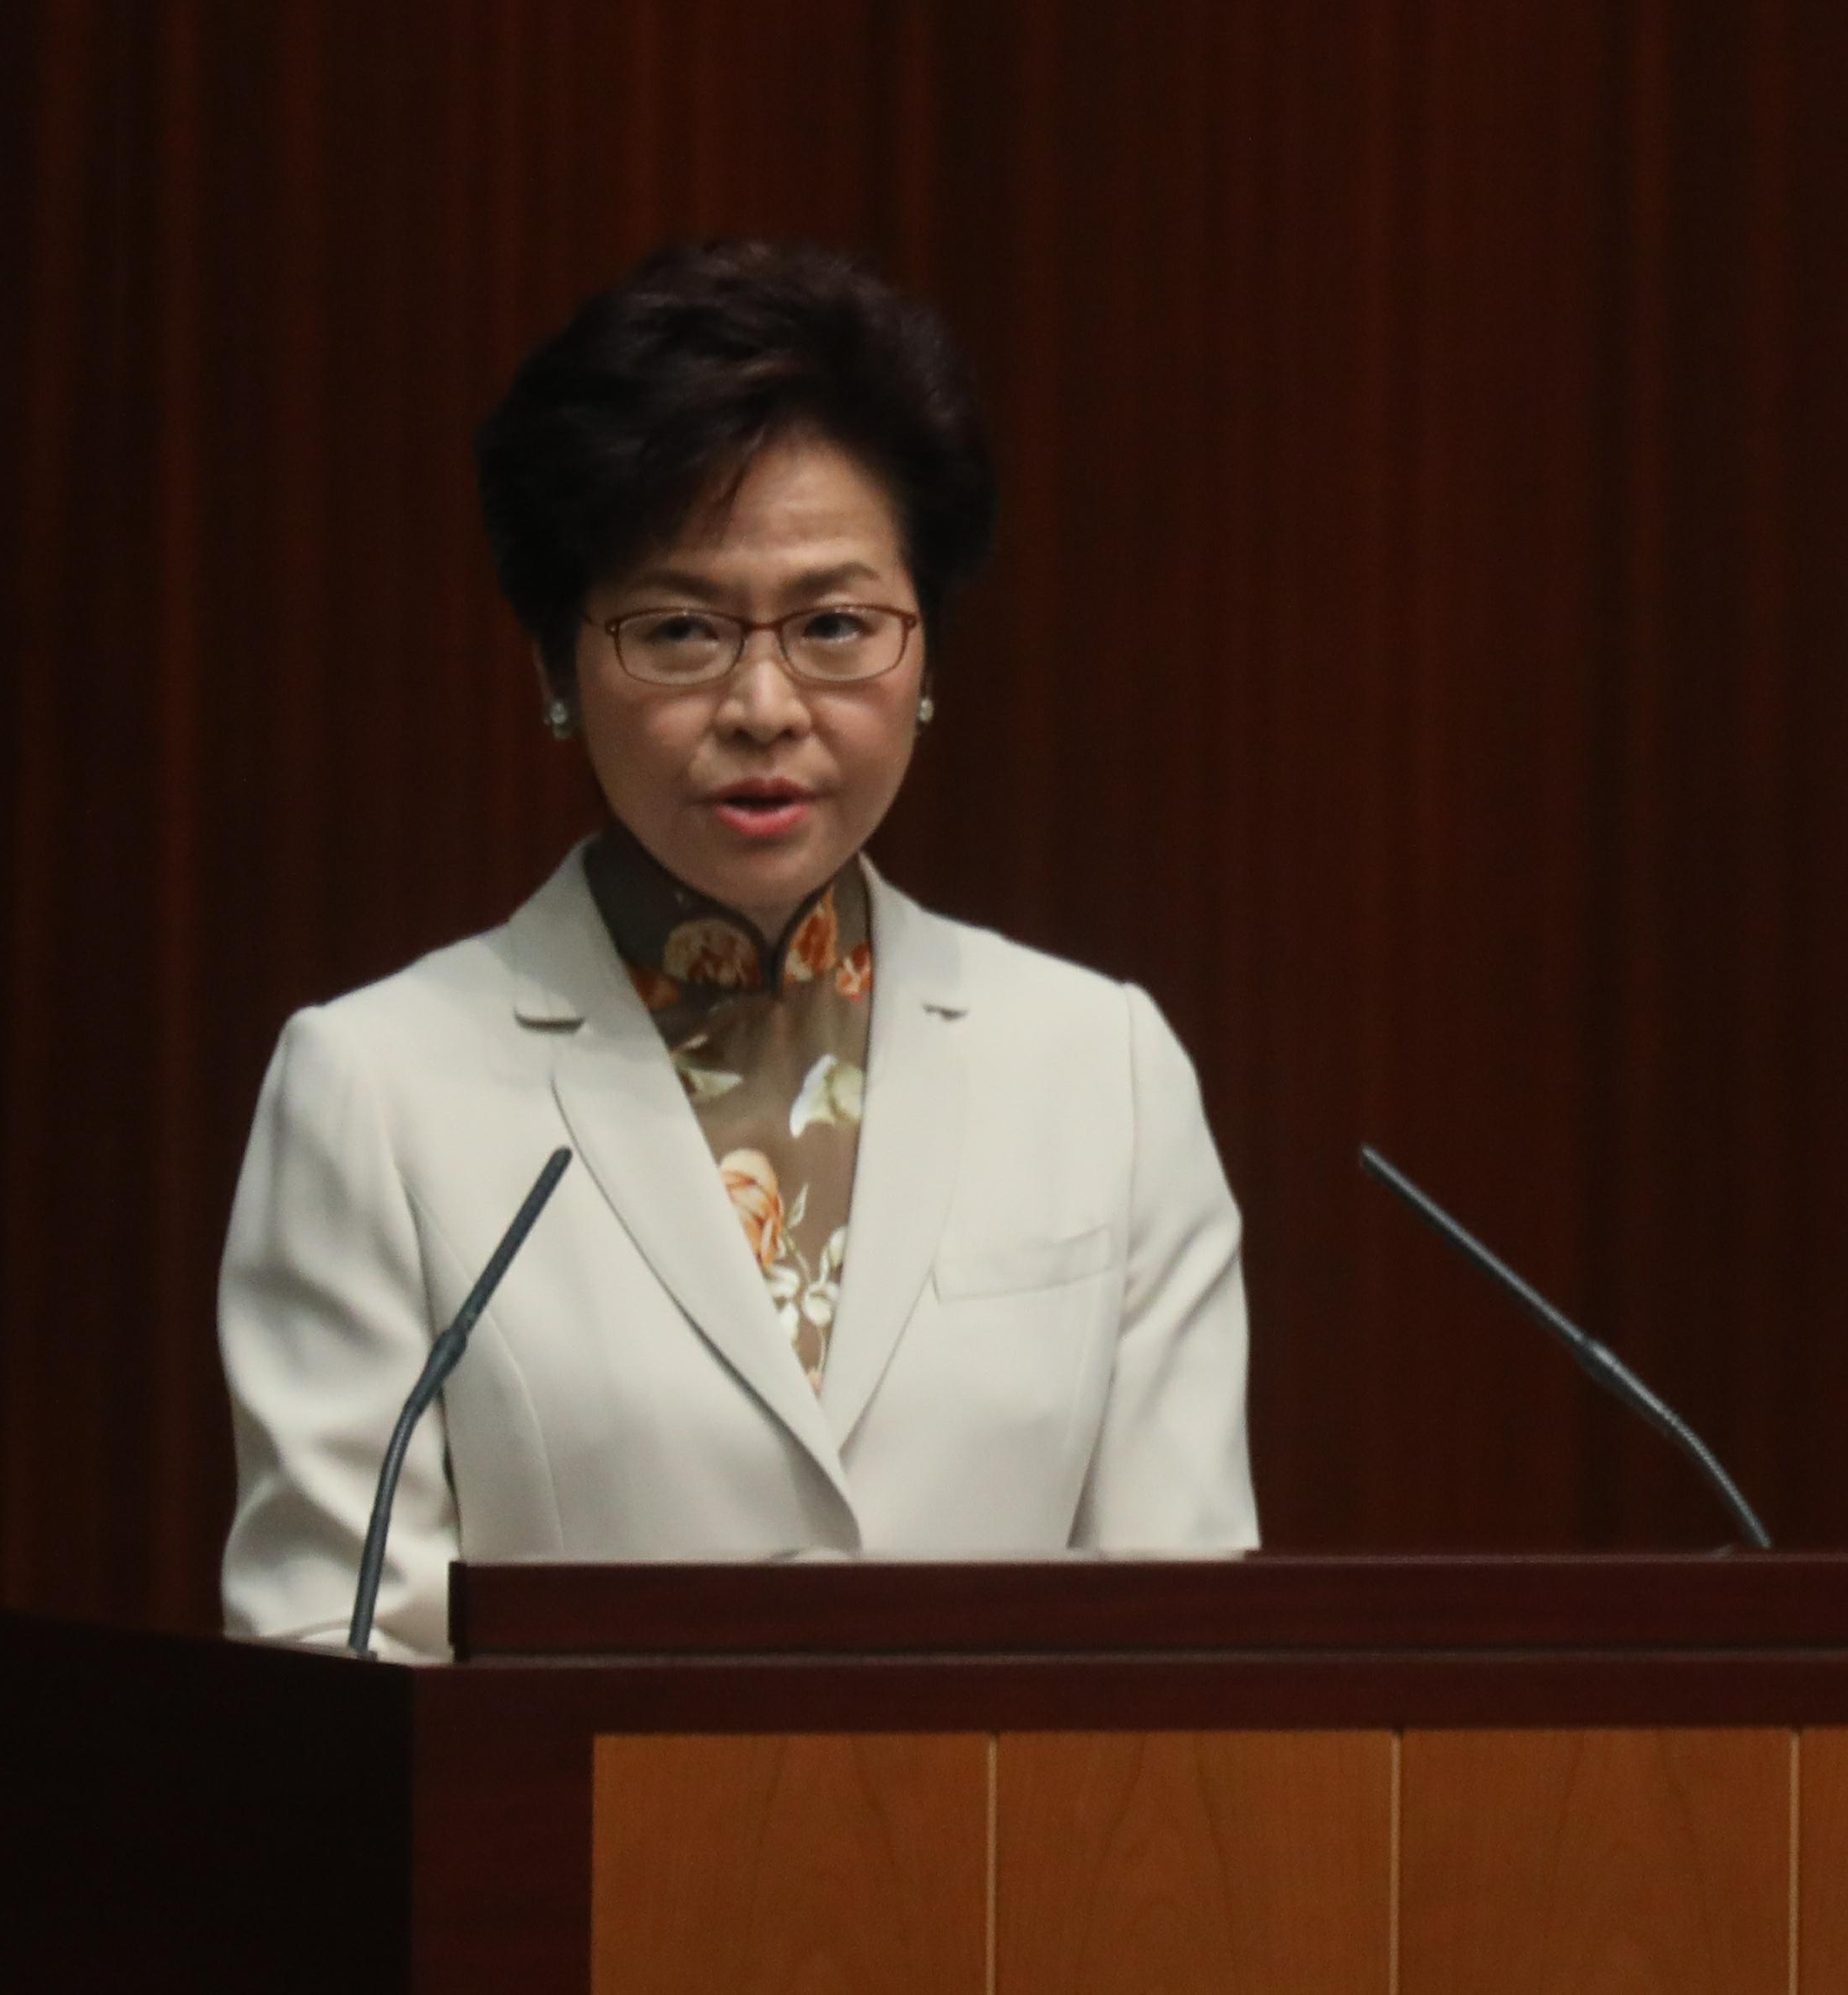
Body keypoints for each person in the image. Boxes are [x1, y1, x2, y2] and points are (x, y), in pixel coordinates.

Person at [218, 240, 1257, 1661]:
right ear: (555, 666)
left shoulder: (1101, 1068)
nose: (764, 703)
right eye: (679, 629)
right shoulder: (376, 1088)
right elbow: (327, 1668)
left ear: (927, 653)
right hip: (560, 1817)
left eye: (834, 625)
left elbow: (1191, 1659)